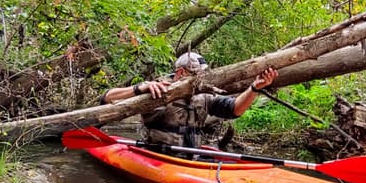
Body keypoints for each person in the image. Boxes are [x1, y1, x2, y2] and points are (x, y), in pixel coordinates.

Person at [101, 52, 278, 148]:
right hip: (158, 157)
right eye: (197, 75)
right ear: (181, 72)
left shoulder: (204, 95)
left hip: (191, 159)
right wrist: (138, 88)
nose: (202, 79)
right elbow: (107, 98)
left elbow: (235, 109)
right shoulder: (156, 90)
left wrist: (255, 88)